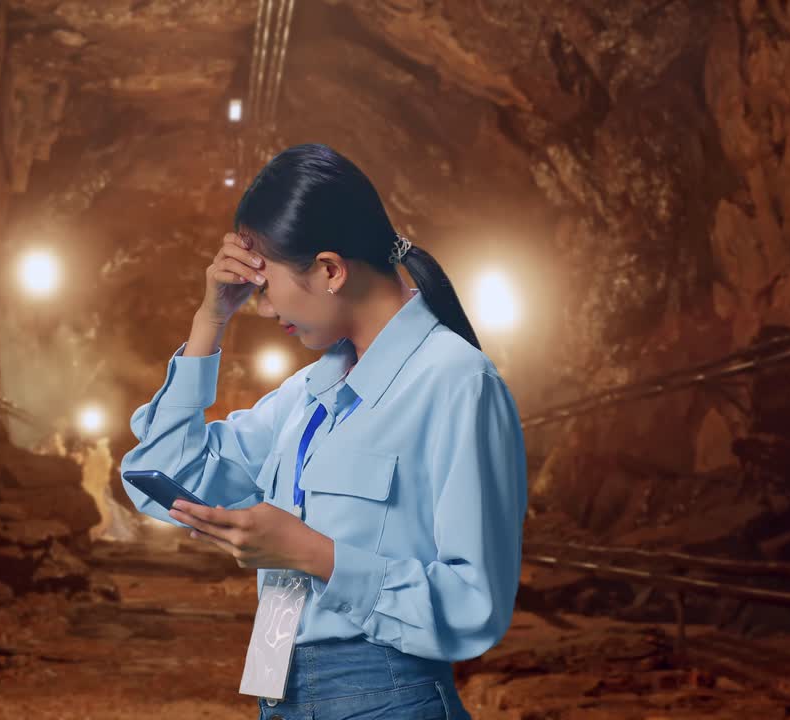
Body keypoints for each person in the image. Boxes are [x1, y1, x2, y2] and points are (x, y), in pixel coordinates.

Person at [120, 143, 527, 720]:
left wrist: (311, 553)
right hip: (279, 688)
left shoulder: (457, 383)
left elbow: (474, 604)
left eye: (265, 286)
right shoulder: (309, 393)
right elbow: (160, 477)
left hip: (386, 696)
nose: (260, 307)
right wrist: (209, 319)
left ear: (331, 270)